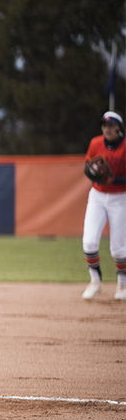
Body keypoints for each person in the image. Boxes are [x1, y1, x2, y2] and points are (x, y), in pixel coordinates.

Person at [81, 111, 126, 301]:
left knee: (118, 248)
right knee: (89, 242)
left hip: (120, 197)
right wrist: (94, 173)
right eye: (104, 125)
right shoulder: (95, 143)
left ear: (118, 128)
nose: (107, 128)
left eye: (111, 125)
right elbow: (87, 165)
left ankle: (122, 286)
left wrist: (114, 179)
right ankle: (95, 282)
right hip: (98, 196)